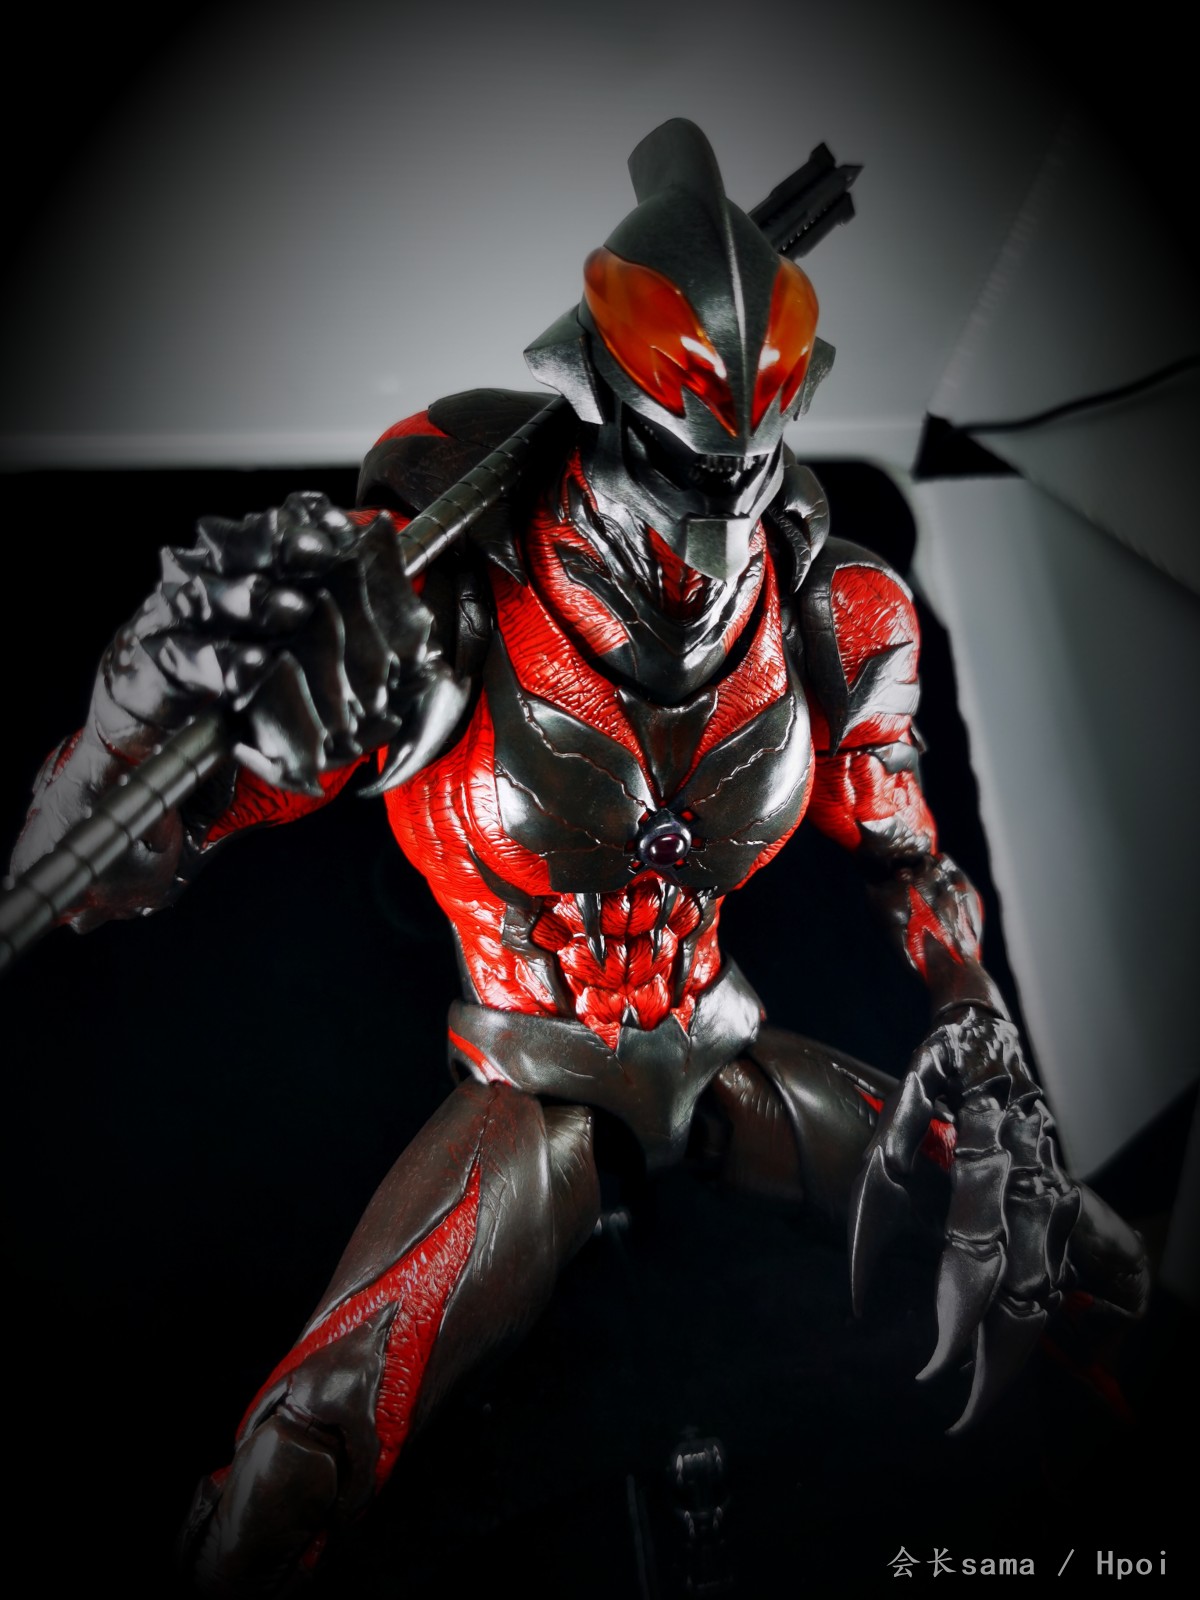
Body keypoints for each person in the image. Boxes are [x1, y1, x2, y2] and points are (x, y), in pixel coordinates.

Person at [7, 120, 1147, 1595]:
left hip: (725, 1050)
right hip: (532, 1083)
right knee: (303, 1454)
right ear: (603, 402)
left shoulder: (836, 607)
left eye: (747, 466)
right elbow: (125, 859)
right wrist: (134, 712)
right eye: (683, 463)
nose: (712, 522)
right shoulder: (448, 608)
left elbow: (909, 863)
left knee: (1085, 1264)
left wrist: (980, 1026)